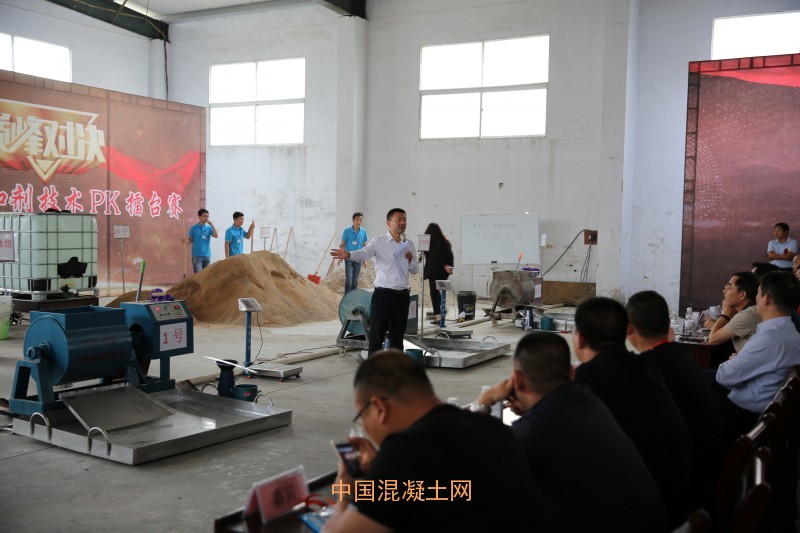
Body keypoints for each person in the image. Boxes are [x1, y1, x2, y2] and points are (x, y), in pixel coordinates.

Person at [323, 350, 551, 533]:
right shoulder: (495, 429)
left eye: (361, 417)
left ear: (379, 408)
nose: (365, 429)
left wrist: (345, 488)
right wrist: (378, 475)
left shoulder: (404, 451)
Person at [474, 332, 666, 532]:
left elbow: (468, 485)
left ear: (517, 379)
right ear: (572, 373)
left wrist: (483, 403)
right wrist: (533, 410)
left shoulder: (533, 432)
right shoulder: (588, 401)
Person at [572, 297, 693, 528]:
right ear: (626, 331)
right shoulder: (647, 366)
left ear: (579, 339)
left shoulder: (585, 381)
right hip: (682, 499)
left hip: (647, 515)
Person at [626, 290, 723, 509]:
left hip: (690, 482)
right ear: (667, 323)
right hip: (711, 463)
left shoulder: (647, 368)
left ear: (629, 328)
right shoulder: (682, 353)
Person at [331, 208, 419, 354]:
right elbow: (364, 253)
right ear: (388, 223)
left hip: (402, 296)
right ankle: (374, 366)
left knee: (398, 337)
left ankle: (395, 366)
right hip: (383, 296)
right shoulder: (379, 242)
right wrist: (348, 254)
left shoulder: (408, 244)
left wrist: (410, 260)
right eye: (398, 220)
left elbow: (415, 270)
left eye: (404, 220)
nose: (402, 223)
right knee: (377, 336)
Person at [716, 271, 800, 417]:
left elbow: (723, 376)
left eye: (758, 293)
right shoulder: (792, 333)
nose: (755, 298)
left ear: (766, 299)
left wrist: (737, 359)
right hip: (768, 410)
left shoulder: (769, 339)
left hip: (743, 415)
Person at [703, 271, 760, 354]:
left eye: (729, 287)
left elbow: (713, 339)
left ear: (742, 295)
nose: (724, 291)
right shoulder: (751, 310)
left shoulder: (747, 315)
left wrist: (726, 314)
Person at [420, 223, 453, 323]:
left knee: (434, 294)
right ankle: (442, 311)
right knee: (440, 292)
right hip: (444, 272)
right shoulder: (445, 241)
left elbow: (434, 256)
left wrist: (420, 257)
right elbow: (450, 255)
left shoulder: (428, 242)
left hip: (434, 271)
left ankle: (439, 317)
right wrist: (449, 266)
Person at [340, 212, 368, 293]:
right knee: (349, 278)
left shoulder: (363, 231)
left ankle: (353, 297)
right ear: (353, 220)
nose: (359, 221)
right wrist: (341, 256)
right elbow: (342, 244)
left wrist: (365, 259)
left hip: (358, 259)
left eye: (360, 220)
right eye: (357, 219)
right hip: (348, 258)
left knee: (355, 281)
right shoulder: (347, 231)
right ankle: (346, 296)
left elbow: (365, 245)